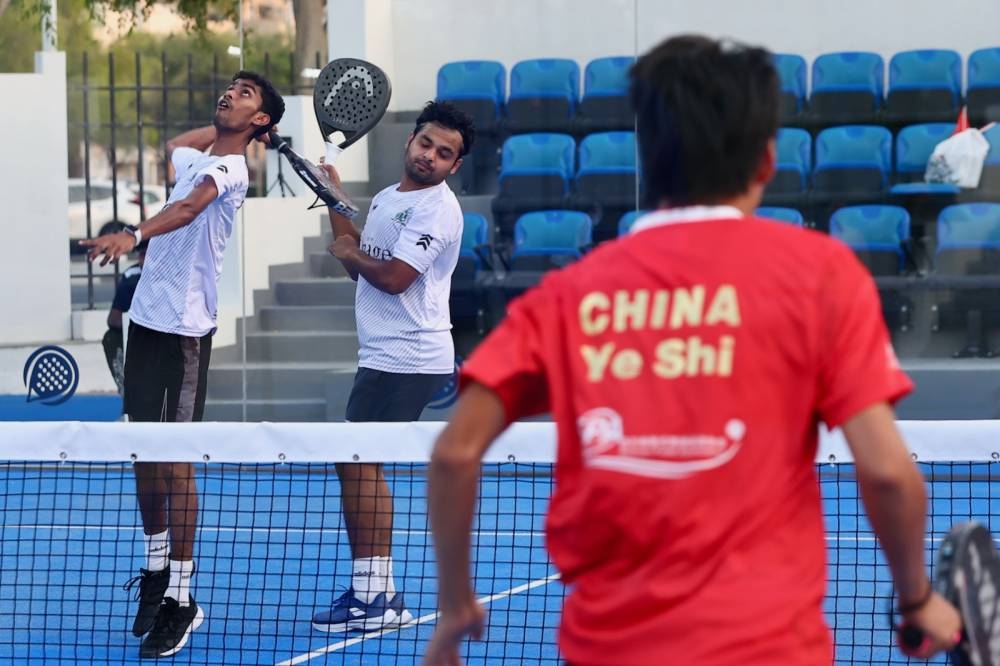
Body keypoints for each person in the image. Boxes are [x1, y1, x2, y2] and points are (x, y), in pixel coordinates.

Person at [423, 35, 963, 665]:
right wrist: (916, 598)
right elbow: (889, 473)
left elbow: (456, 454)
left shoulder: (567, 294)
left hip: (608, 649)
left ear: (646, 157)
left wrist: (457, 607)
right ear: (766, 160)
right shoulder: (821, 275)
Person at [81, 71, 284, 659]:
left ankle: (183, 595)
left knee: (175, 463)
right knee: (143, 452)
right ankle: (154, 568)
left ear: (262, 121)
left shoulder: (229, 171)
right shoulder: (199, 157)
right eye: (231, 88)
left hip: (183, 335)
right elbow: (176, 148)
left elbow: (191, 209)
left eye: (245, 94)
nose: (230, 94)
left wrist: (133, 233)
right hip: (145, 324)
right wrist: (238, 126)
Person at [310, 100, 475, 633]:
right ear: (410, 142)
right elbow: (357, 263)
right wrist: (333, 198)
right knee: (358, 459)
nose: (430, 156)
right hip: (384, 352)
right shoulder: (387, 199)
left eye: (444, 153)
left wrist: (351, 255)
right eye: (426, 143)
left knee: (357, 459)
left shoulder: (437, 210)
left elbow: (393, 277)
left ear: (456, 166)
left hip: (408, 354)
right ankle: (375, 592)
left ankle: (376, 597)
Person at [101, 241, 146, 395]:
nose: (144, 260)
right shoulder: (132, 276)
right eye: (141, 254)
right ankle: (126, 391)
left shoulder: (171, 274)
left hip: (166, 335)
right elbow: (113, 319)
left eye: (148, 254)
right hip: (137, 332)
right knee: (110, 338)